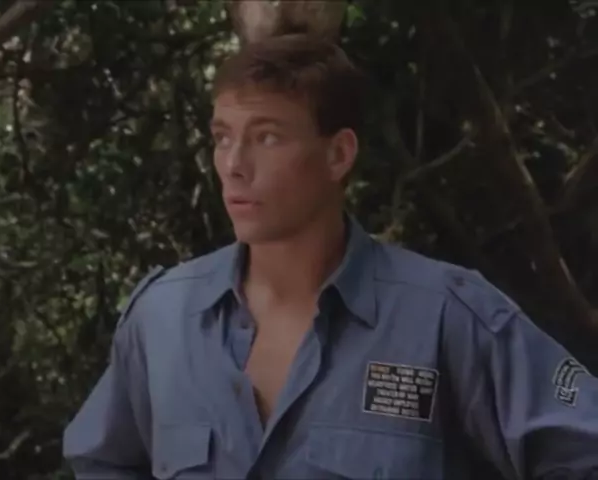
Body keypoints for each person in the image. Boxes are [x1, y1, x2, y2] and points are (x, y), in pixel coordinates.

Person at [62, 33, 598, 479]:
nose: (234, 165)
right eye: (223, 138)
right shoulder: (162, 319)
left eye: (267, 137)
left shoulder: (446, 315)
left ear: (339, 154)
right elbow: (102, 462)